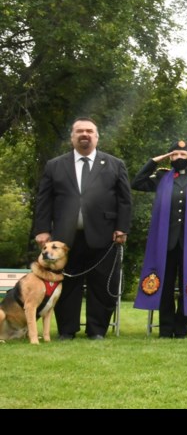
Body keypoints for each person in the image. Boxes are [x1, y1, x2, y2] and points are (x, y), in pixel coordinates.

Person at [32, 117, 132, 340]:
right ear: (72, 137)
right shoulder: (55, 165)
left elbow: (125, 201)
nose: (84, 134)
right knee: (67, 285)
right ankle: (67, 330)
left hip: (105, 236)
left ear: (97, 136)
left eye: (89, 131)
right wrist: (42, 229)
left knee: (102, 285)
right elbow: (44, 200)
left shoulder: (115, 164)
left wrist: (122, 228)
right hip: (64, 240)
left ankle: (96, 331)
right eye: (79, 131)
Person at [132, 140, 187, 338]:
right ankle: (166, 328)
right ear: (169, 158)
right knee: (165, 286)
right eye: (175, 155)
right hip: (165, 243)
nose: (179, 158)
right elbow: (137, 182)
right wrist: (153, 161)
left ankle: (182, 328)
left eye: (183, 155)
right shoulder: (161, 176)